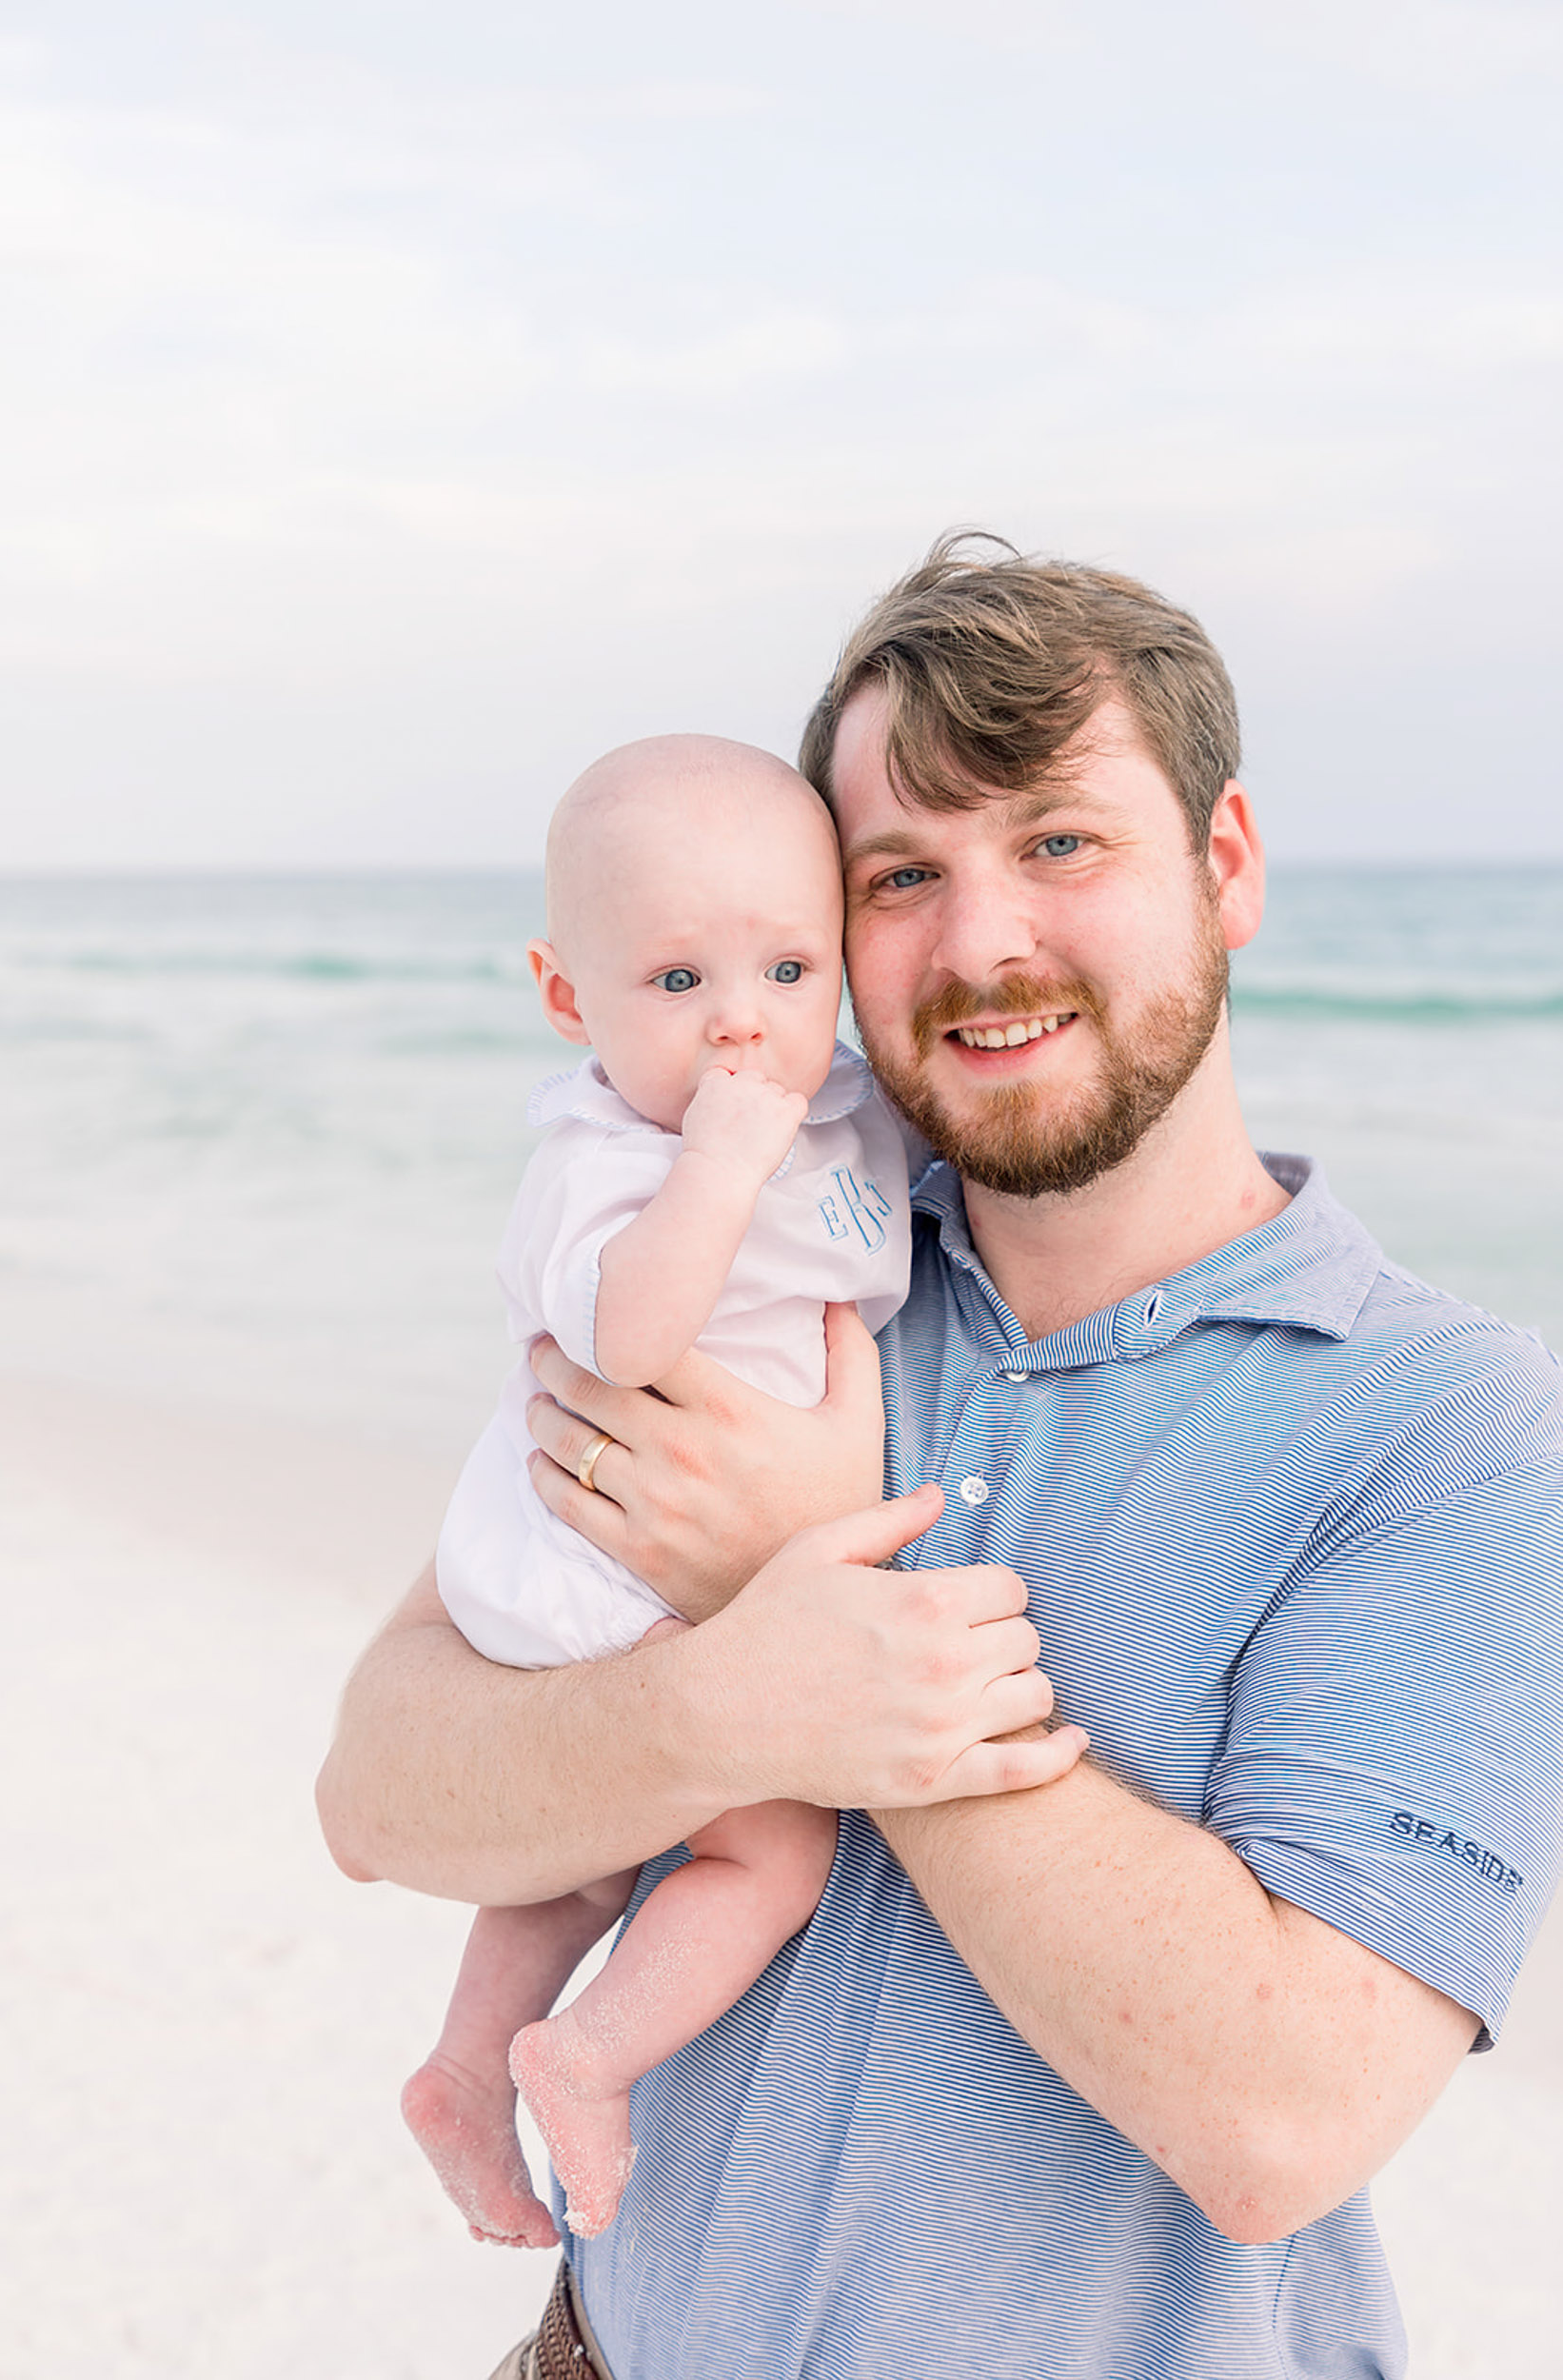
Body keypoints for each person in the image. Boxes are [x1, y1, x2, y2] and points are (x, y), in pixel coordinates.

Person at [318, 537, 1563, 2380]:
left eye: (1060, 839)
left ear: (1224, 870)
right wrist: (731, 1692)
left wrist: (826, 1599)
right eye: (904, 871)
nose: (982, 939)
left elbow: (1280, 2116)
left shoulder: (1447, 1428)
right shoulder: (784, 1262)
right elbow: (381, 1786)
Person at [400, 736, 1021, 2250]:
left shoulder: (838, 1108)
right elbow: (625, 1335)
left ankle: (465, 2065)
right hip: (609, 1559)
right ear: (572, 999)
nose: (744, 1024)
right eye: (678, 984)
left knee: (599, 1846)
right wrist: (720, 1174)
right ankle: (585, 2054)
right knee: (770, 1845)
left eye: (791, 971)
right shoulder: (610, 1159)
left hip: (683, 1553)